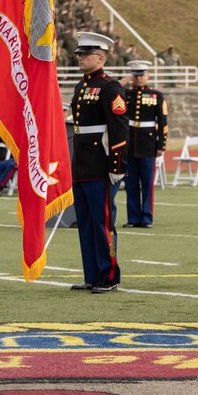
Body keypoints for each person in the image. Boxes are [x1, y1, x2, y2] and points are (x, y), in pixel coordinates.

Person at [69, 31, 128, 293]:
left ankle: (109, 275)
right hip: (82, 164)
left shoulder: (110, 87)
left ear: (101, 57)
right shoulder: (81, 86)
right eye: (79, 53)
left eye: (86, 54)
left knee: (102, 222)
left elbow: (118, 130)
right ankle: (92, 274)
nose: (80, 57)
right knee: (86, 222)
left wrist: (116, 167)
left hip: (101, 165)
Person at [122, 61, 167, 228]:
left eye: (142, 75)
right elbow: (112, 91)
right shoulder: (125, 94)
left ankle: (147, 218)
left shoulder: (156, 95)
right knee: (131, 184)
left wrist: (161, 145)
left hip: (148, 145)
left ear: (148, 76)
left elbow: (163, 122)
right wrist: (125, 80)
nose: (139, 78)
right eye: (136, 75)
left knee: (147, 184)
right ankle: (133, 218)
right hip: (130, 144)